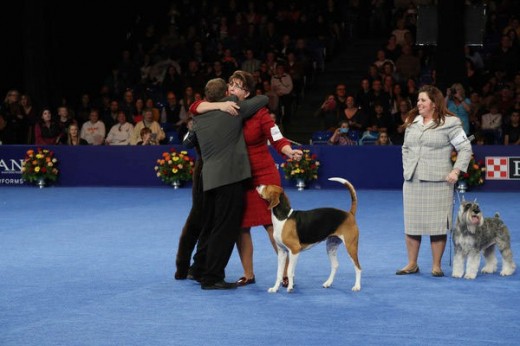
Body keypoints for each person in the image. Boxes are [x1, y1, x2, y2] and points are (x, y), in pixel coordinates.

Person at [189, 71, 303, 287]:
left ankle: (287, 273)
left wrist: (287, 150)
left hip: (265, 175)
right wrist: (220, 106)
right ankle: (248, 274)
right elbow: (195, 106)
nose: (232, 88)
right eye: (230, 84)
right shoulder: (225, 109)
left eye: (238, 85)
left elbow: (275, 136)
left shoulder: (259, 113)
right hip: (239, 176)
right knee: (241, 227)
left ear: (247, 92)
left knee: (273, 226)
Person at [188, 78, 269, 290]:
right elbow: (264, 99)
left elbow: (194, 107)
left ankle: (198, 269)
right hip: (230, 179)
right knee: (225, 230)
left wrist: (215, 103)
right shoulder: (234, 108)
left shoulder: (198, 116)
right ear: (225, 93)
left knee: (211, 226)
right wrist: (231, 100)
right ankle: (212, 277)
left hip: (209, 179)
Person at [397, 85, 472, 277]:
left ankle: (436, 266)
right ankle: (412, 263)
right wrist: (408, 168)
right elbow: (405, 148)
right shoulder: (412, 121)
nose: (418, 103)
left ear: (434, 103)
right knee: (412, 223)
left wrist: (456, 170)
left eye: (422, 100)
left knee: (437, 225)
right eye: (418, 100)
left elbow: (465, 149)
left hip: (438, 181)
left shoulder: (450, 122)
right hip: (412, 180)